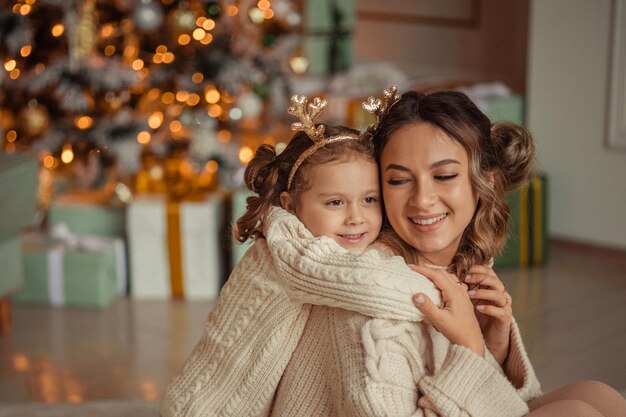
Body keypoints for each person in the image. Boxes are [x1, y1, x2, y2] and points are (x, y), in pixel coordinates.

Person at [267, 88, 625, 416]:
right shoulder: (370, 297)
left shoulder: (458, 260)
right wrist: (469, 348)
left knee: (597, 396)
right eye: (398, 179)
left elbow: (503, 399)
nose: (422, 200)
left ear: (487, 180)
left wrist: (492, 348)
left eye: (444, 176)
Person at [160, 93, 442, 417]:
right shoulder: (292, 248)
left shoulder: (327, 239)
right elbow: (371, 284)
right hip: (206, 405)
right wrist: (446, 291)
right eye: (335, 202)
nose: (356, 217)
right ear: (291, 205)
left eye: (369, 200)